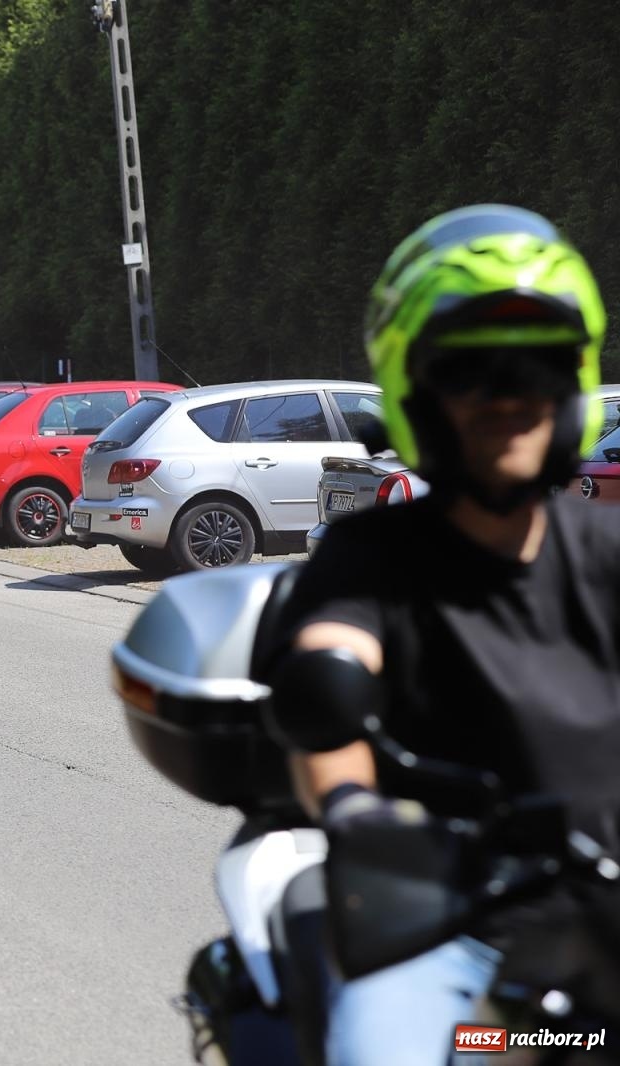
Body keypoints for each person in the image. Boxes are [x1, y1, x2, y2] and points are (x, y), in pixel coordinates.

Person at [270, 205, 620, 1065]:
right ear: (418, 392)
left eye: (536, 366)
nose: (508, 397)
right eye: (470, 372)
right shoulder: (370, 557)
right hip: (447, 928)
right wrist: (352, 807)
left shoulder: (608, 554)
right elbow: (330, 676)